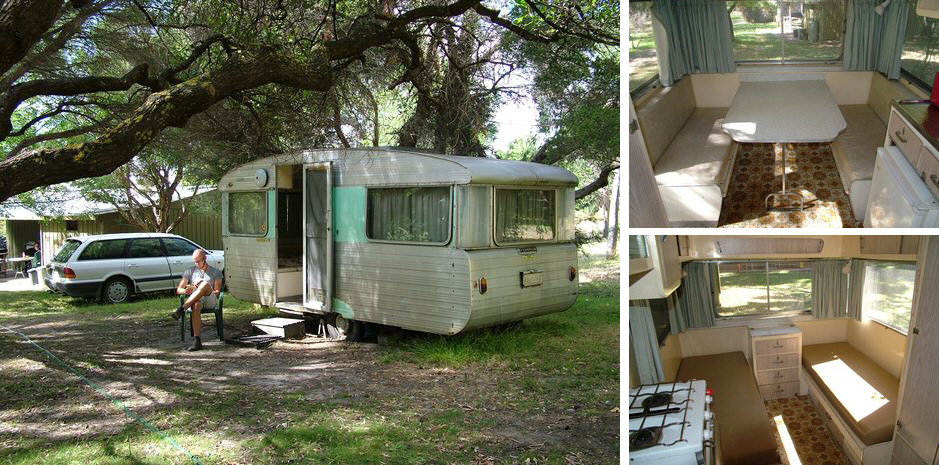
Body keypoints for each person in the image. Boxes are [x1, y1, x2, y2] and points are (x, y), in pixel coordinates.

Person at [171, 249, 222, 351]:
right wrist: (187, 291)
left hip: (209, 299)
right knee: (196, 305)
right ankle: (197, 341)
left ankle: (181, 309)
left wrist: (204, 289)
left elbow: (217, 292)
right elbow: (179, 289)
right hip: (195, 300)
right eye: (195, 261)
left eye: (198, 261)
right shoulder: (189, 271)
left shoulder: (216, 272)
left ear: (205, 258)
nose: (196, 263)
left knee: (204, 284)